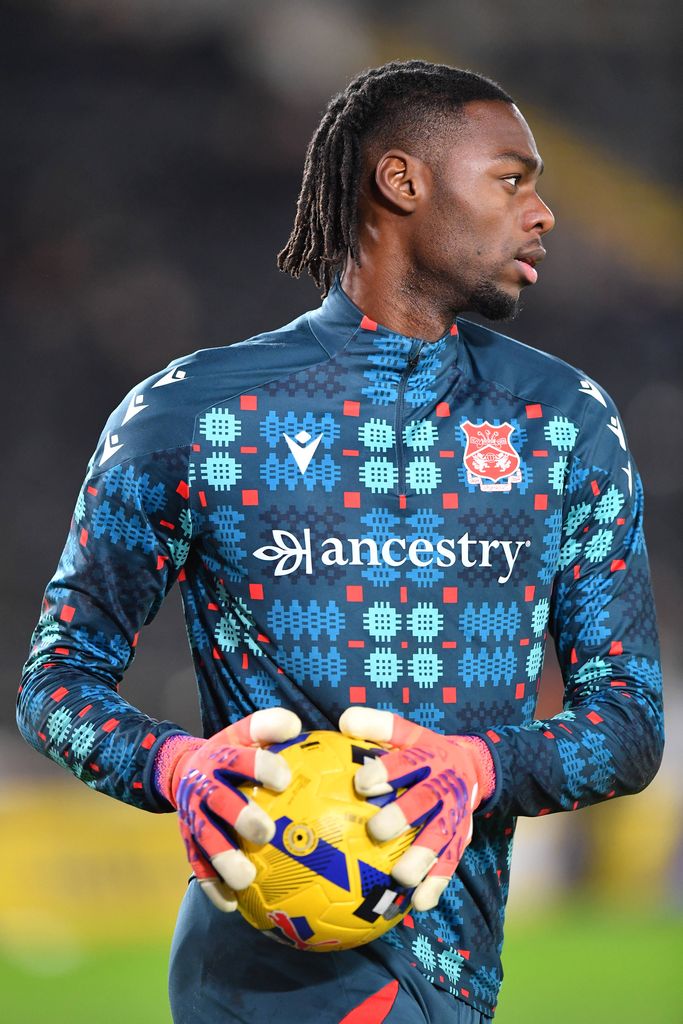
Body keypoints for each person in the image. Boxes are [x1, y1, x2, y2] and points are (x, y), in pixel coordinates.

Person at [18, 60, 664, 1023]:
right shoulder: (198, 414)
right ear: (402, 183)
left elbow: (629, 722)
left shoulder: (560, 421)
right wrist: (178, 767)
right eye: (511, 178)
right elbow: (56, 681)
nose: (543, 212)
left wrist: (478, 767)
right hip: (263, 976)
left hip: (459, 973)